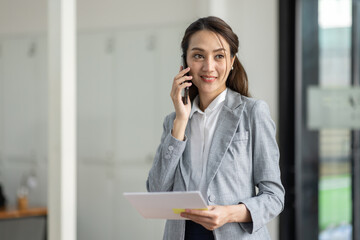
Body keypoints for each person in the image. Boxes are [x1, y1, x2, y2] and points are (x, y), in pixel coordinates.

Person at [147, 16, 285, 240]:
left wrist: (230, 213)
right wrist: (181, 121)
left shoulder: (253, 112)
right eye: (198, 56)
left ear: (231, 61)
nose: (209, 66)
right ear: (185, 64)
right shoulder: (173, 121)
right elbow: (156, 192)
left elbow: (274, 197)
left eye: (219, 56)